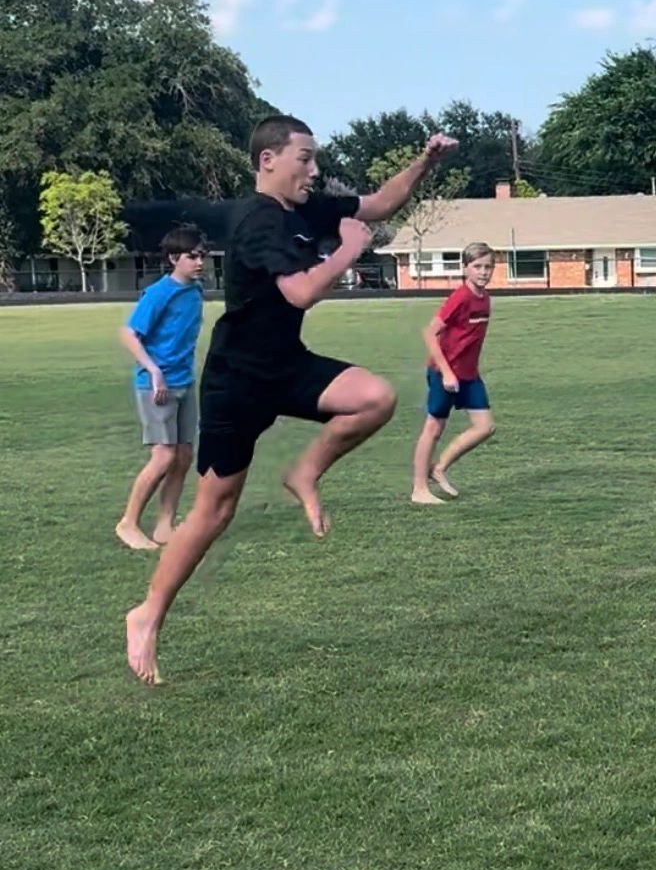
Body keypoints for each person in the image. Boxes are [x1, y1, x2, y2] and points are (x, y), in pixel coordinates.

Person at [124, 114, 457, 684]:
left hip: (286, 365)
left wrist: (426, 162)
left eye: (315, 158)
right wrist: (350, 251)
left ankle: (304, 470)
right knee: (214, 512)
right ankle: (147, 614)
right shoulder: (257, 223)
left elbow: (377, 205)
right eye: (304, 158)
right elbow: (301, 291)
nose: (314, 169)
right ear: (267, 160)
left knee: (376, 397)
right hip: (237, 381)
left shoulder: (304, 210)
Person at [115, 224, 209, 552]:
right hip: (157, 386)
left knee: (183, 455)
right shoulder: (159, 293)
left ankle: (165, 526)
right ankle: (127, 523)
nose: (199, 262)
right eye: (192, 256)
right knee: (163, 455)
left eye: (202, 256)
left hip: (184, 382)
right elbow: (128, 334)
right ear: (173, 258)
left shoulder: (195, 292)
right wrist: (154, 370)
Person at [410, 242, 496, 504]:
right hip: (444, 373)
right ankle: (419, 489)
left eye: (488, 266)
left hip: (469, 374)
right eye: (477, 266)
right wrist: (447, 373)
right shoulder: (460, 297)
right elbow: (429, 331)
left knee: (485, 427)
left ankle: (439, 468)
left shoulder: (485, 298)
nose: (483, 272)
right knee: (434, 428)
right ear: (465, 268)